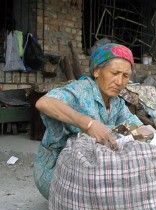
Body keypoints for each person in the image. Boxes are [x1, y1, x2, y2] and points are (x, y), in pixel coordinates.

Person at [33, 43, 143, 199]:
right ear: (97, 71)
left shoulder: (116, 102)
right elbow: (44, 103)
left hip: (91, 168)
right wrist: (88, 124)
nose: (120, 81)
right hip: (57, 171)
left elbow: (135, 127)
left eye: (125, 76)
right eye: (115, 73)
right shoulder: (81, 89)